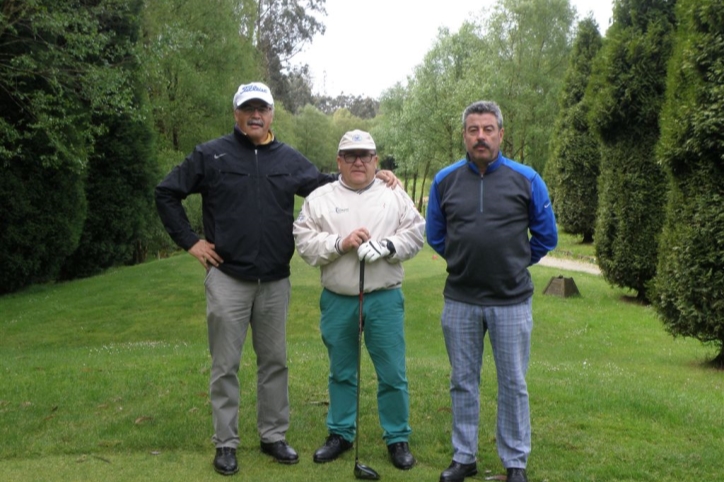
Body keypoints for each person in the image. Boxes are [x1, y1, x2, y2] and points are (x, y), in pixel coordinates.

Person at [155, 83, 399, 476]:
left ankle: (273, 436)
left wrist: (373, 173)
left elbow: (327, 182)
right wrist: (192, 242)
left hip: (273, 280)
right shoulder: (211, 154)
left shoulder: (287, 158)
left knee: (274, 363)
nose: (255, 114)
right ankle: (226, 444)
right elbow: (166, 193)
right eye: (247, 108)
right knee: (225, 365)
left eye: (262, 108)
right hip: (227, 277)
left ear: (272, 114)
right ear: (236, 113)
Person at [426, 101, 558, 482]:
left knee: (513, 383)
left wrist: (513, 261)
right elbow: (435, 234)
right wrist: (464, 259)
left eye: (487, 129)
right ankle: (463, 457)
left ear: (500, 133)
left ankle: (515, 462)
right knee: (462, 381)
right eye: (473, 130)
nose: (480, 136)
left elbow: (546, 236)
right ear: (464, 136)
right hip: (460, 300)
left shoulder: (527, 179)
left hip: (511, 301)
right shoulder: (444, 180)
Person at [293, 130, 425, 471]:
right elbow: (305, 241)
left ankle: (397, 438)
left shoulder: (394, 194)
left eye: (365, 155)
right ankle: (341, 433)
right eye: (350, 155)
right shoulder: (320, 197)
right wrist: (341, 243)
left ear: (376, 160)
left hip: (383, 298)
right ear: (338, 161)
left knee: (392, 373)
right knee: (341, 372)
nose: (358, 161)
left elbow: (415, 232)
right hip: (339, 299)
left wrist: (389, 247)